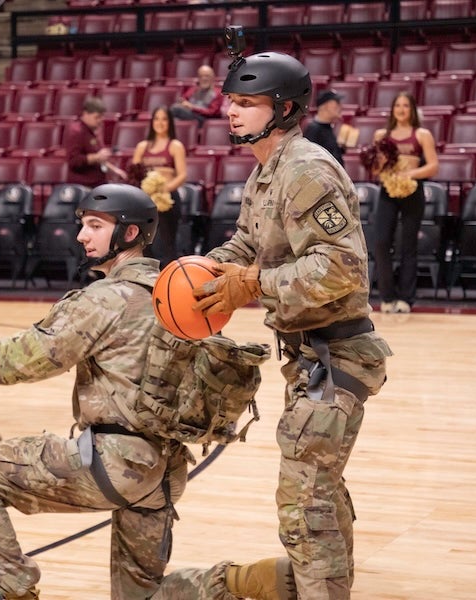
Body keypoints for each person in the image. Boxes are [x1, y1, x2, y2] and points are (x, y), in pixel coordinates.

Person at [182, 51, 392, 600]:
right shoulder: (265, 172)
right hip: (309, 355)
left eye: (246, 103)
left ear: (285, 109)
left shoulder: (306, 169)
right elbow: (247, 245)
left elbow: (342, 268)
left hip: (339, 353)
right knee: (318, 485)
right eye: (231, 100)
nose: (231, 110)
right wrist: (195, 275)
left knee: (303, 499)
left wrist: (253, 283)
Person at [0, 184, 192, 600]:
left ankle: (15, 592)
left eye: (94, 226)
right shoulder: (174, 292)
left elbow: (22, 360)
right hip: (166, 472)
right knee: (141, 596)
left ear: (128, 234)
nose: (81, 236)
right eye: (82, 226)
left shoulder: (108, 298)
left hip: (115, 465)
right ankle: (240, 581)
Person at [370, 91, 439, 314]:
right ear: (392, 109)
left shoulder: (422, 134)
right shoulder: (382, 134)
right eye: (397, 105)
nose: (401, 109)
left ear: (412, 110)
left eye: (406, 106)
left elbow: (433, 166)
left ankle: (406, 299)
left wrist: (409, 174)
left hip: (412, 190)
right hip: (388, 191)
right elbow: (375, 167)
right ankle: (388, 297)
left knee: (408, 245)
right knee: (381, 241)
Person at [131, 105, 188, 268]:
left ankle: (169, 281)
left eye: (164, 119)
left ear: (169, 122)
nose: (160, 122)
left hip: (167, 199)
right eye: (156, 118)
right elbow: (135, 173)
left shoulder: (175, 145)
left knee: (167, 243)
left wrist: (163, 190)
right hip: (146, 201)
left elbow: (182, 175)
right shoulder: (142, 146)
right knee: (145, 243)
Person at [64, 96, 126, 188]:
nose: (100, 121)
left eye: (101, 117)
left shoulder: (95, 131)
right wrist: (97, 157)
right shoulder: (77, 132)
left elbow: (99, 158)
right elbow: (74, 161)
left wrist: (115, 170)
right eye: (97, 117)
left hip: (97, 184)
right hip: (82, 187)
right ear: (85, 114)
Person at [303, 89, 346, 167]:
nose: (340, 106)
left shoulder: (327, 127)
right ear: (325, 106)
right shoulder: (314, 130)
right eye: (337, 102)